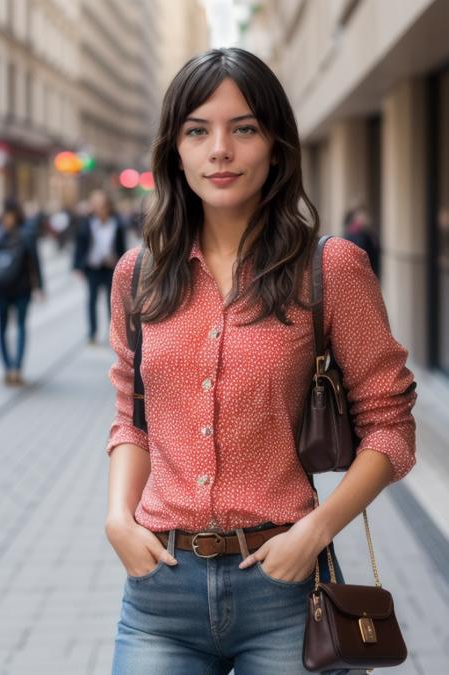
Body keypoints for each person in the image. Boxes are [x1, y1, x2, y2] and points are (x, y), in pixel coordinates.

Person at [105, 48, 417, 675]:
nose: (219, 149)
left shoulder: (330, 268)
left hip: (284, 585)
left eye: (243, 128)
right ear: (176, 150)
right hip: (159, 589)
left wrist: (317, 530)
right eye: (198, 130)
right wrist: (117, 520)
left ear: (276, 145)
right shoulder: (137, 275)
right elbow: (132, 418)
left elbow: (391, 427)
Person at [0, 197, 44, 385]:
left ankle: (17, 367)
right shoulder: (2, 234)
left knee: (20, 326)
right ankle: (8, 368)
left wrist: (39, 286)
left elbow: (35, 260)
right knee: (2, 328)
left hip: (22, 289)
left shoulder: (27, 233)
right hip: (1, 289)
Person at [73, 190, 126, 344]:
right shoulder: (87, 224)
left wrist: (120, 263)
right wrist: (78, 266)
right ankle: (92, 332)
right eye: (95, 205)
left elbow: (122, 247)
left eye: (102, 205)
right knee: (92, 301)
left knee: (113, 303)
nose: (99, 209)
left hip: (111, 268)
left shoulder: (117, 224)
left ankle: (114, 335)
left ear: (108, 206)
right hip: (93, 268)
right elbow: (80, 246)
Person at [343, 206, 380, 277]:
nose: (365, 219)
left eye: (366, 216)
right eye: (362, 216)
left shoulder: (369, 233)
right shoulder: (352, 233)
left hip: (369, 270)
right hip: (358, 271)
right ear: (356, 218)